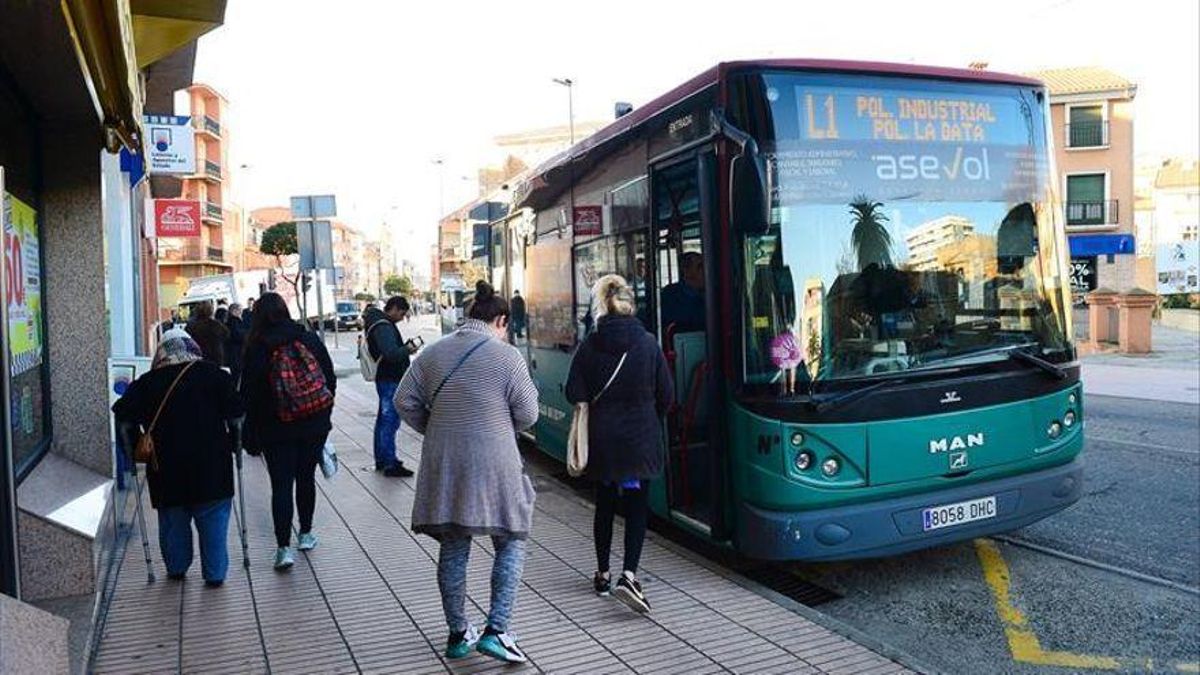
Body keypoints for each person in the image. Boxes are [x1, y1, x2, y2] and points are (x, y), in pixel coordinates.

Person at [395, 280, 538, 664]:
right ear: (501, 320)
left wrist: (437, 426)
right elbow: (528, 414)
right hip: (496, 461)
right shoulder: (507, 357)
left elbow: (403, 400)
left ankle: (459, 634)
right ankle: (498, 629)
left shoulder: (433, 352)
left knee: (454, 545)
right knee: (511, 536)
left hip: (446, 461)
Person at [565, 274, 673, 614]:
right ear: (630, 306)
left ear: (602, 305)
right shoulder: (648, 343)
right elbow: (666, 397)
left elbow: (574, 393)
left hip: (604, 440)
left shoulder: (589, 345)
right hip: (639, 439)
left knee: (606, 505)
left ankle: (602, 574)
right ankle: (629, 574)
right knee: (638, 507)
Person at [112, 334, 243, 587]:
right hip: (212, 466)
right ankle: (215, 574)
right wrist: (236, 444)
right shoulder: (215, 375)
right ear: (194, 350)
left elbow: (123, 417)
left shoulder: (147, 383)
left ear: (160, 354)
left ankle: (176, 567)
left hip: (166, 468)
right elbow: (237, 414)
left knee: (173, 520)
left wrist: (134, 448)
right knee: (214, 520)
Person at [240, 292, 337, 570]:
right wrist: (323, 413)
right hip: (313, 423)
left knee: (281, 485)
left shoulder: (257, 346)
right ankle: (306, 534)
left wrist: (253, 429)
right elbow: (328, 378)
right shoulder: (307, 338)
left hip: (276, 427)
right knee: (306, 477)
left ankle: (283, 549)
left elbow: (249, 392)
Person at [362, 296, 415, 477]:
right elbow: (391, 354)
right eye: (401, 313)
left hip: (386, 378)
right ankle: (389, 463)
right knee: (389, 421)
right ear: (393, 308)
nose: (402, 317)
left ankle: (383, 459)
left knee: (384, 420)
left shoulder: (378, 322)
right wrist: (407, 349)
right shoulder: (383, 326)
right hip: (389, 378)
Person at [660, 251, 706, 334]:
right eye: (700, 267)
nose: (706, 271)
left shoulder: (710, 294)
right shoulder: (671, 296)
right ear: (686, 271)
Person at [186, 301, 230, 366]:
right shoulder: (216, 324)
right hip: (215, 355)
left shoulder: (191, 326)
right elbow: (226, 335)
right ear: (211, 311)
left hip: (198, 356)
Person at [225, 303, 248, 381]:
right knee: (237, 375)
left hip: (234, 351)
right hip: (236, 351)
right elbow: (237, 335)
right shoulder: (234, 321)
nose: (241, 312)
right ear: (234, 311)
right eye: (240, 310)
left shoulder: (230, 321)